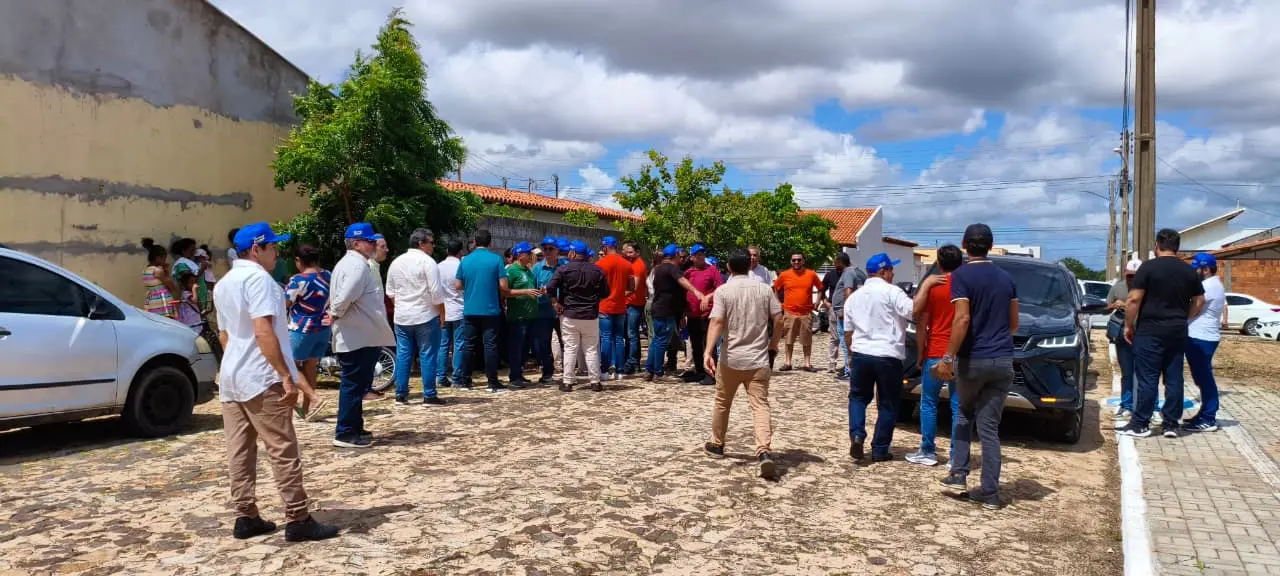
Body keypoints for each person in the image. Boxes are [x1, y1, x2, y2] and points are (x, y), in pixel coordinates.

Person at [213, 222, 339, 542]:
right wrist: (286, 377)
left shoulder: (224, 284)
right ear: (257, 250)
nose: (277, 252)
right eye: (272, 247)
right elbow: (263, 331)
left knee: (239, 450)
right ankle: (297, 517)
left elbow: (225, 335)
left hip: (232, 376)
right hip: (262, 376)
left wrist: (238, 364)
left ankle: (246, 515)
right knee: (282, 447)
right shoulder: (261, 281)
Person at [936, 224, 1018, 510]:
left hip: (974, 358)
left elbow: (962, 320)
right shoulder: (1007, 278)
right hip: (1003, 359)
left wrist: (948, 357)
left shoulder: (961, 276)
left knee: (963, 414)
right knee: (989, 429)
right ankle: (991, 493)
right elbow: (1013, 324)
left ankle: (958, 473)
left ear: (964, 244)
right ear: (991, 245)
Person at [703, 251, 785, 478]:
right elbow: (779, 318)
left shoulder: (723, 291)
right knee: (760, 406)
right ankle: (764, 450)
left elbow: (717, 321)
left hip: (731, 358)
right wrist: (774, 343)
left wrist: (708, 352)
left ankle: (717, 443)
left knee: (722, 402)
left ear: (728, 267)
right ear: (750, 266)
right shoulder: (764, 290)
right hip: (758, 358)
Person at [1117, 229, 1206, 439]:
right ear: (1178, 247)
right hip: (1177, 331)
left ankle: (1140, 423)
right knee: (1174, 378)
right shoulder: (1188, 271)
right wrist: (1184, 317)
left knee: (1148, 378)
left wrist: (1128, 325)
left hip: (1150, 330)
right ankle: (1171, 424)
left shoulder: (1148, 268)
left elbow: (1133, 300)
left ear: (1157, 245)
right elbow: (1199, 301)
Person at [843, 253, 920, 463]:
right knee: (888, 403)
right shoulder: (893, 292)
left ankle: (857, 434)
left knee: (858, 398)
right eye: (891, 270)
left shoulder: (855, 297)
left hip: (861, 353)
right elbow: (913, 311)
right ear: (884, 272)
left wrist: (851, 354)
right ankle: (880, 448)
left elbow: (848, 331)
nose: (893, 274)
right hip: (888, 355)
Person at [328, 222, 396, 448]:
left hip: (359, 333)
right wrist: (335, 313)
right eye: (369, 241)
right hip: (357, 334)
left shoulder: (351, 264)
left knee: (358, 384)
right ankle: (346, 432)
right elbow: (346, 296)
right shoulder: (357, 266)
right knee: (354, 385)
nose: (373, 245)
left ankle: (355, 426)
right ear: (356, 243)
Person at [907, 245, 963, 467]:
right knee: (958, 405)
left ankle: (928, 450)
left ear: (939, 263)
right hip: (959, 353)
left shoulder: (933, 287)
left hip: (935, 351)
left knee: (928, 401)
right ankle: (956, 454)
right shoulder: (966, 286)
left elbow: (920, 321)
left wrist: (920, 353)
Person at [385, 228, 447, 405]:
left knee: (404, 354)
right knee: (428, 354)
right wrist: (442, 313)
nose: (433, 246)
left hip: (402, 316)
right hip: (425, 315)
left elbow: (390, 291)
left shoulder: (396, 262)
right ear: (421, 243)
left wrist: (402, 306)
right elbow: (436, 292)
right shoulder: (428, 262)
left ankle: (401, 393)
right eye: (431, 242)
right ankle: (429, 394)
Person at [546, 240, 610, 392]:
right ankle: (595, 381)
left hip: (569, 315)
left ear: (573, 253)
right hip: (590, 315)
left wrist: (555, 303)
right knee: (591, 349)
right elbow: (606, 293)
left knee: (570, 348)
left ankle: (567, 381)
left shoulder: (563, 269)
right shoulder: (597, 271)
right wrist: (594, 302)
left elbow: (550, 287)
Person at [455, 229, 508, 393]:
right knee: (490, 345)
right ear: (490, 243)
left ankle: (465, 381)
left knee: (468, 345)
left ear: (475, 242)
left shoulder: (465, 260)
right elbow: (504, 286)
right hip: (490, 309)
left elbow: (457, 285)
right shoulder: (496, 259)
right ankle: (492, 381)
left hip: (470, 308)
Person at [284, 244, 330, 422]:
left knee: (291, 366)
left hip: (301, 329)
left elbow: (285, 303)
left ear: (298, 260)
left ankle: (314, 398)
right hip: (322, 328)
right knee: (310, 366)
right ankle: (306, 409)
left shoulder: (298, 280)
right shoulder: (327, 276)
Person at [1184, 253, 1227, 433]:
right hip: (1202, 336)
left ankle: (1209, 417)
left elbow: (1195, 307)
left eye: (1198, 270)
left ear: (1206, 269)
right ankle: (1204, 414)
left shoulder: (1208, 286)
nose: (1196, 273)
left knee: (1205, 378)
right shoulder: (1213, 284)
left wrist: (1182, 317)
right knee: (1201, 377)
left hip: (1202, 337)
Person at [772, 253, 827, 371]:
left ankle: (807, 364)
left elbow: (820, 288)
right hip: (789, 312)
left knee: (807, 339)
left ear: (803, 261)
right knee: (788, 339)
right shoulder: (784, 275)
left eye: (798, 260)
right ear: (790, 261)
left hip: (806, 312)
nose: (796, 262)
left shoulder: (811, 274)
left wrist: (817, 302)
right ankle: (788, 363)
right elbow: (775, 288)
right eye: (794, 260)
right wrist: (778, 303)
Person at [504, 242, 544, 388]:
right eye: (529, 254)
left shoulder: (528, 271)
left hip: (531, 316)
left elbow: (530, 288)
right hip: (518, 317)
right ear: (521, 255)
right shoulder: (512, 271)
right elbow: (504, 292)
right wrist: (524, 292)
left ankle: (519, 374)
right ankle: (514, 376)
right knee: (516, 347)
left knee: (525, 348)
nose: (531, 256)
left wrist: (538, 291)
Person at [595, 237, 635, 379]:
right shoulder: (626, 264)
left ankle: (604, 371)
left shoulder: (600, 264)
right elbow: (632, 287)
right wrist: (620, 295)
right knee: (619, 339)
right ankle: (619, 371)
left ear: (605, 247)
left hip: (605, 306)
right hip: (620, 306)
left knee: (605, 338)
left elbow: (596, 287)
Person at [683, 245, 723, 385]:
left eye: (702, 254)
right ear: (692, 257)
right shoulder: (688, 273)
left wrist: (708, 297)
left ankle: (711, 373)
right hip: (692, 314)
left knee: (709, 345)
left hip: (707, 314)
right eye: (697, 254)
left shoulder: (712, 271)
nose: (700, 256)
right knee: (696, 345)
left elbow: (720, 288)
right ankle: (700, 371)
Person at [1107, 259, 1141, 420]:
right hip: (1123, 336)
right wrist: (1114, 305)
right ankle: (1126, 404)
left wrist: (1127, 306)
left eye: (1135, 276)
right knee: (1127, 373)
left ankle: (1148, 405)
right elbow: (1106, 307)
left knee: (1146, 374)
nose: (1131, 279)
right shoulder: (1117, 287)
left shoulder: (1148, 289)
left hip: (1144, 336)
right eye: (1129, 276)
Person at [827, 253, 866, 380]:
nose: (834, 265)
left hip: (844, 313)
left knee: (845, 341)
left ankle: (849, 370)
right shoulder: (859, 272)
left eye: (835, 262)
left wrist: (845, 310)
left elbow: (848, 290)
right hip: (855, 311)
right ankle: (852, 368)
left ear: (840, 262)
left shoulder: (848, 272)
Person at [530, 237, 563, 386]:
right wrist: (540, 291)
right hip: (543, 310)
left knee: (566, 342)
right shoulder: (537, 268)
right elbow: (531, 288)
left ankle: (568, 372)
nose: (548, 252)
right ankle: (548, 372)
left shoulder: (564, 266)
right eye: (545, 249)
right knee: (543, 343)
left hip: (561, 310)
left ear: (557, 251)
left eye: (551, 249)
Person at [436, 240, 466, 389]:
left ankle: (441, 376)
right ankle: (457, 377)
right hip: (459, 309)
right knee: (459, 345)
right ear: (460, 252)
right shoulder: (461, 266)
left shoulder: (438, 267)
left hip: (443, 310)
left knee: (443, 345)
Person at [623, 241, 648, 374]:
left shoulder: (638, 266)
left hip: (634, 304)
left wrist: (618, 295)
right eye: (626, 251)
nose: (627, 254)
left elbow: (635, 287)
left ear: (637, 252)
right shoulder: (631, 264)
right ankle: (633, 360)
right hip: (629, 303)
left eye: (630, 252)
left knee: (632, 334)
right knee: (629, 334)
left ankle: (632, 362)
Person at [141, 238, 179, 319]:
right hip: (162, 301)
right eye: (164, 259)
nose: (165, 261)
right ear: (158, 258)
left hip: (151, 302)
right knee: (167, 323)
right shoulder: (158, 271)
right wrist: (166, 271)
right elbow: (172, 287)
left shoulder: (146, 270)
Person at [172, 238, 211, 312]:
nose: (194, 253)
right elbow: (190, 281)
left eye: (194, 250)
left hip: (200, 296)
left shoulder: (191, 263)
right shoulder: (181, 265)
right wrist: (202, 269)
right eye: (192, 250)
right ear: (183, 250)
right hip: (191, 299)